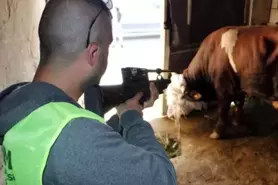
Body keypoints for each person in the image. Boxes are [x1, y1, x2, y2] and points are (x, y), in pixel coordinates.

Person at [0, 0, 177, 185]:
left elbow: (92, 144)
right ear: (93, 53)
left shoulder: (25, 107)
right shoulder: (74, 137)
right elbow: (163, 178)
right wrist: (133, 117)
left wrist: (123, 113)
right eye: (107, 48)